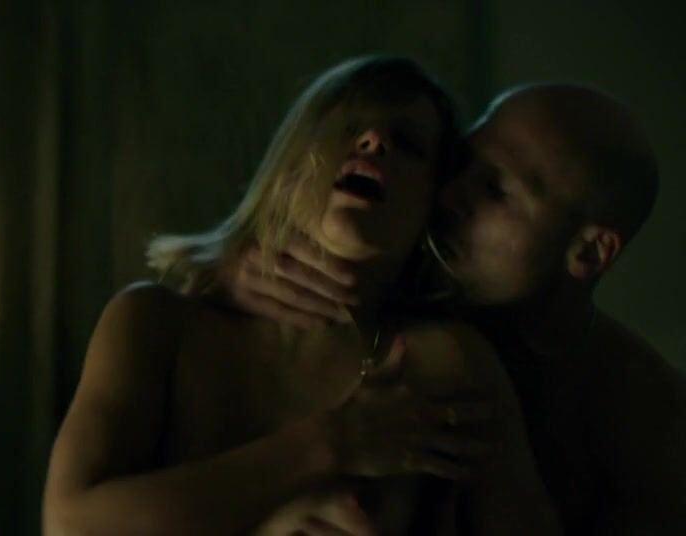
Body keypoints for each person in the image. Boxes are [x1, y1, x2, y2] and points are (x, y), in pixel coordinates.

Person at [42, 56, 558, 535]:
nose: (374, 140)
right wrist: (332, 443)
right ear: (288, 165)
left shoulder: (444, 362)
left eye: (407, 143)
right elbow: (71, 526)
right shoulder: (157, 324)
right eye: (346, 128)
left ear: (432, 201)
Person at [221, 83, 686, 533]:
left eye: (494, 190)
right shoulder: (384, 279)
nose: (447, 196)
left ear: (589, 251)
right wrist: (227, 266)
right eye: (459, 164)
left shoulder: (648, 428)